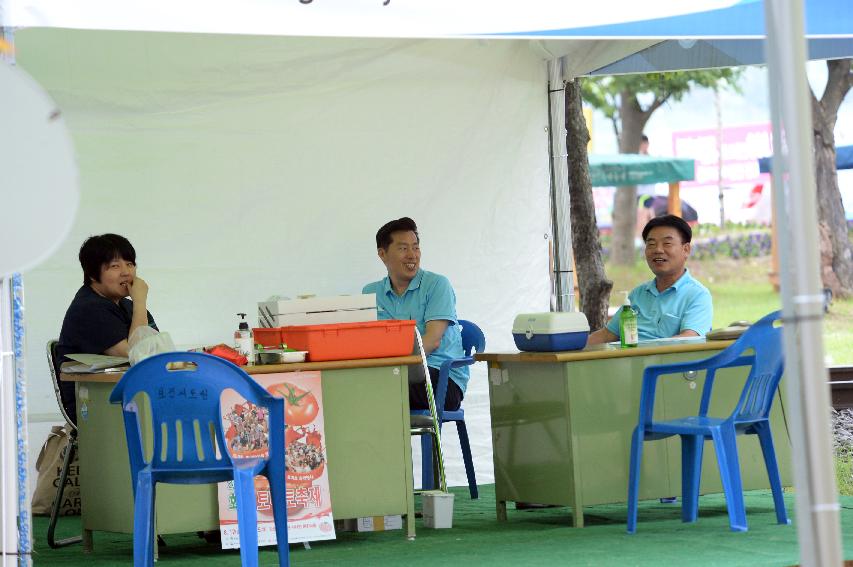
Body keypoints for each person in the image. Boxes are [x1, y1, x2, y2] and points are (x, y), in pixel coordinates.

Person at [363, 217, 468, 411]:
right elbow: (373, 344)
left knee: (372, 392)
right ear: (382, 254)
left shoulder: (437, 285)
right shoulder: (371, 293)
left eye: (416, 247)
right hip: (396, 374)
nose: (412, 255)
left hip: (442, 379)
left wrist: (393, 367)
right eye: (403, 248)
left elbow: (431, 341)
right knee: (353, 384)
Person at [55, 234, 157, 422]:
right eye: (115, 266)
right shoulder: (89, 308)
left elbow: (155, 351)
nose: (126, 272)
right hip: (95, 406)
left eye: (130, 264)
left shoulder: (128, 306)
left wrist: (138, 305)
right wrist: (140, 301)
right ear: (93, 275)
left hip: (128, 397)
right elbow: (135, 355)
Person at [587, 215, 712, 345]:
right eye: (651, 244)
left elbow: (688, 339)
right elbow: (607, 335)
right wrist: (571, 347)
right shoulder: (638, 294)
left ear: (686, 250)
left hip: (664, 363)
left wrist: (644, 351)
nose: (658, 250)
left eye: (667, 243)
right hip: (629, 362)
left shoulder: (698, 295)